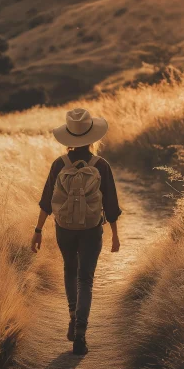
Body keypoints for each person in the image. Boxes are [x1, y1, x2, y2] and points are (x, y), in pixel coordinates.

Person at [31, 108, 122, 355]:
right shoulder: (101, 165)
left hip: (65, 228)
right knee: (86, 279)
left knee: (70, 271)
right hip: (92, 229)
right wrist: (114, 234)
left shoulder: (59, 164)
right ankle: (81, 333)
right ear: (93, 138)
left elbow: (46, 200)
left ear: (69, 137)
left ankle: (72, 317)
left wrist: (38, 230)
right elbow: (111, 204)